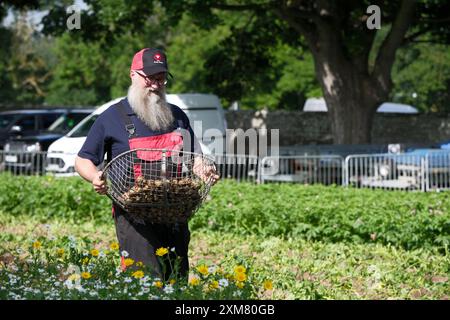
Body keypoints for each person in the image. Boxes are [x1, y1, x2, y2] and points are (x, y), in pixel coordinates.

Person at [74, 48, 219, 280]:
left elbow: (193, 158)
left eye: (161, 78)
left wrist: (204, 170)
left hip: (175, 213)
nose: (156, 84)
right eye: (150, 77)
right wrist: (94, 177)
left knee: (176, 279)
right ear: (133, 75)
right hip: (134, 217)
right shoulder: (112, 117)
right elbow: (83, 159)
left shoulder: (177, 116)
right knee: (143, 281)